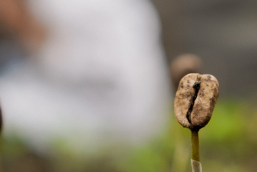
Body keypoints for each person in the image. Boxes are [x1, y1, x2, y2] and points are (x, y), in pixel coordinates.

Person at [0, 0, 169, 151]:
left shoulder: (76, 8)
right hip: (116, 116)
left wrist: (28, 27)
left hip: (120, 120)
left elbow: (110, 80)